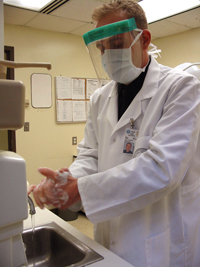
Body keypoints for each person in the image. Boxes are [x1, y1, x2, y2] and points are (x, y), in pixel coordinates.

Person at [28, 1, 200, 266]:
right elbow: (90, 156)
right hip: (108, 235)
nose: (107, 54)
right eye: (101, 47)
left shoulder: (180, 87)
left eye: (116, 43)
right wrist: (66, 183)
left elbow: (162, 168)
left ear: (143, 40)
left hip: (160, 240)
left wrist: (82, 192)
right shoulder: (100, 98)